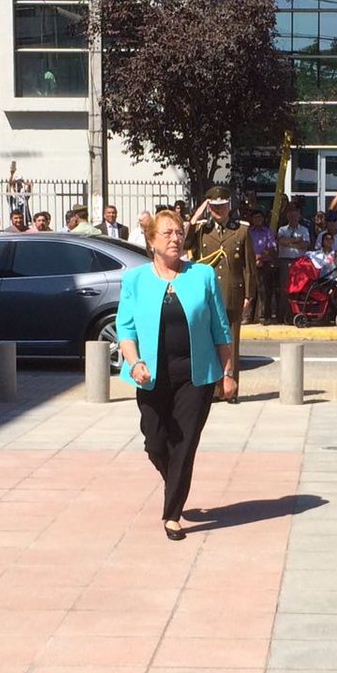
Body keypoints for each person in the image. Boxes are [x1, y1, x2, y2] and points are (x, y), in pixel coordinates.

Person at [116, 209, 233, 541]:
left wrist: (227, 372)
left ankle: (172, 514)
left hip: (195, 377)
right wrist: (134, 362)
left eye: (179, 232)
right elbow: (125, 329)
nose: (175, 238)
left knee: (184, 443)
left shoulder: (203, 275)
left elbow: (221, 328)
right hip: (151, 377)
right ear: (151, 240)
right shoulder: (135, 280)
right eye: (167, 233)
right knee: (155, 443)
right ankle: (176, 482)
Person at [186, 186, 256, 401]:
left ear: (229, 206)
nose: (219, 210)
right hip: (207, 296)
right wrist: (195, 217)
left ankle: (230, 389)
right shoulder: (201, 230)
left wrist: (249, 296)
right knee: (208, 343)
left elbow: (249, 267)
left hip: (232, 293)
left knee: (230, 343)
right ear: (209, 208)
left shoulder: (241, 230)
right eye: (214, 207)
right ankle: (213, 389)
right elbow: (185, 243)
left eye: (222, 206)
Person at [277, 204, 310, 323]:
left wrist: (289, 243)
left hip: (300, 262)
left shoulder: (304, 230)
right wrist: (296, 241)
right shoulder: (282, 230)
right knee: (285, 288)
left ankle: (297, 313)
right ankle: (284, 315)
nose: (293, 218)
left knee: (299, 288)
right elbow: (281, 241)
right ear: (287, 216)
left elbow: (305, 245)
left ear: (299, 216)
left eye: (296, 215)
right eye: (291, 215)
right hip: (285, 261)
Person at [248, 209, 278, 324]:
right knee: (250, 290)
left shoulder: (267, 232)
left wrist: (259, 257)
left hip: (265, 264)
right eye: (256, 218)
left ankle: (264, 316)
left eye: (260, 217)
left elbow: (272, 248)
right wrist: (253, 259)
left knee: (264, 291)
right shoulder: (249, 232)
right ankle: (248, 316)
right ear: (252, 219)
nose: (258, 220)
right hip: (251, 263)